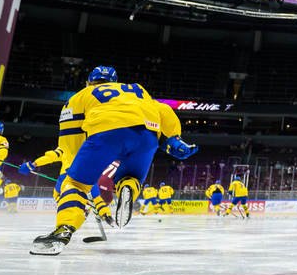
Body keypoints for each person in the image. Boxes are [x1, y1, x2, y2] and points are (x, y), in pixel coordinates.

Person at [32, 68, 193, 255]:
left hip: (107, 132)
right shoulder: (136, 89)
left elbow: (71, 145)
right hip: (148, 135)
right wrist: (174, 137)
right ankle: (128, 189)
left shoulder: (81, 96)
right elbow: (163, 109)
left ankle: (63, 232)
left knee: (75, 183)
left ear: (89, 82)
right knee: (130, 176)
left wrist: (79, 170)